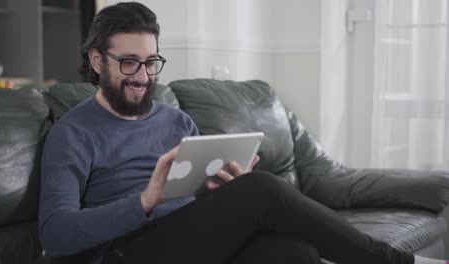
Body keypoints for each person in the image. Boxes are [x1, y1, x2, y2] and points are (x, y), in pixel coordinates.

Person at [38, 2, 448, 264]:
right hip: (128, 250)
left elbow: (196, 206)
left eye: (151, 62)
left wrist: (221, 188)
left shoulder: (175, 121)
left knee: (296, 255)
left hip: (192, 240)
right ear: (96, 60)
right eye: (129, 62)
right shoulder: (73, 133)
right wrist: (146, 200)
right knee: (264, 190)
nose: (143, 77)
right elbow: (55, 235)